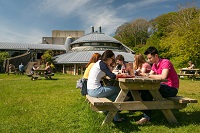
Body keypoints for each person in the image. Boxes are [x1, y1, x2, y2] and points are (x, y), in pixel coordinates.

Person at [136, 46, 179, 125]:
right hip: (162, 86)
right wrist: (142, 74)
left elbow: (163, 76)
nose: (148, 60)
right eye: (148, 58)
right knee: (145, 90)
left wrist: (147, 75)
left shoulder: (165, 62)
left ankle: (146, 117)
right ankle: (145, 114)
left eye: (150, 58)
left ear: (156, 55)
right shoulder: (154, 65)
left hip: (171, 89)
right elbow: (149, 75)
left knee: (148, 90)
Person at [87, 50, 126, 122]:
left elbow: (108, 73)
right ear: (108, 58)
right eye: (112, 59)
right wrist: (122, 75)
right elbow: (112, 76)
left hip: (91, 90)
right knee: (118, 90)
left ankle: (115, 116)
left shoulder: (99, 63)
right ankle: (122, 106)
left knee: (115, 97)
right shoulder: (102, 64)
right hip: (95, 90)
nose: (113, 61)